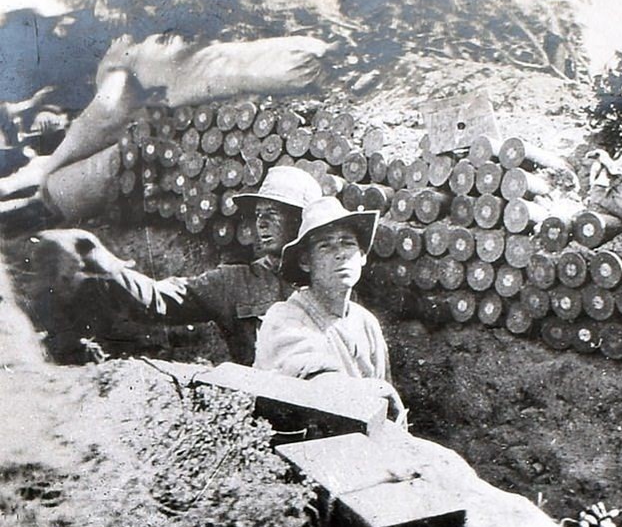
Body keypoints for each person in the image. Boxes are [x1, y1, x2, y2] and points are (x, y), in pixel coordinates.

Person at [0, 32, 341, 219]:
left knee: (69, 182)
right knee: (64, 176)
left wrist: (53, 167)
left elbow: (100, 118)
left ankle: (28, 204)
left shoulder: (135, 59)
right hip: (147, 127)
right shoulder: (148, 62)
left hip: (141, 136)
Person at [37, 165, 323, 364]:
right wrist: (105, 262)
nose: (261, 222)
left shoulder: (333, 279)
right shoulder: (235, 282)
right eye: (258, 213)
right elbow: (159, 300)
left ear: (302, 221)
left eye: (273, 213)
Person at [254, 196, 391, 382]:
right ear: (305, 262)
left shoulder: (366, 323)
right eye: (325, 246)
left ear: (362, 255)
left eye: (348, 243)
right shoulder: (284, 317)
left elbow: (383, 392)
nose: (340, 254)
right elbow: (316, 380)